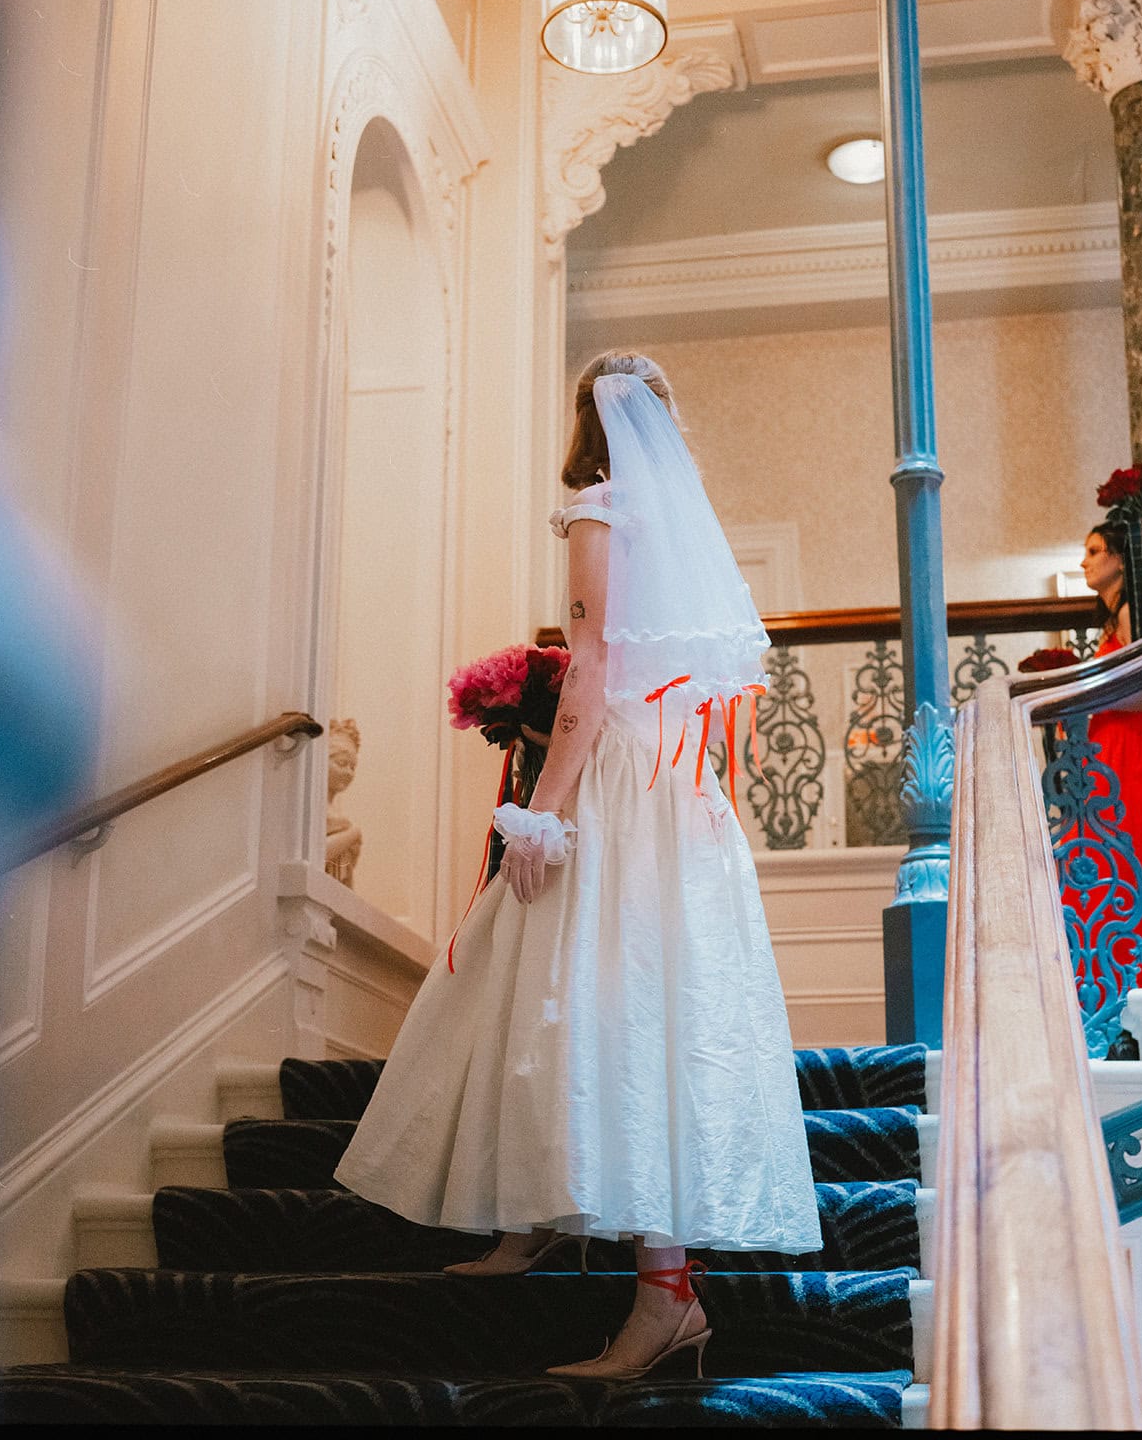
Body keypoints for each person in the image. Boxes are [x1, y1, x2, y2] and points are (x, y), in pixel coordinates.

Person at [334, 351, 821, 1378]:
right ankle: (539, 1215)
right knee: (596, 999)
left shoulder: (597, 509)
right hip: (678, 794)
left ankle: (663, 1299)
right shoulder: (677, 521)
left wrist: (538, 815)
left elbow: (591, 675)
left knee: (602, 1002)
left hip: (616, 786)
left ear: (583, 421)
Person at [1074, 520, 1142, 1011]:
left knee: (1128, 869)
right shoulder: (1119, 614)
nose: (1085, 561)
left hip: (1127, 756)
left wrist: (1092, 699)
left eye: (1095, 551)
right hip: (1109, 754)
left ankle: (1141, 989)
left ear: (1120, 558)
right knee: (1110, 868)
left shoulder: (1136, 610)